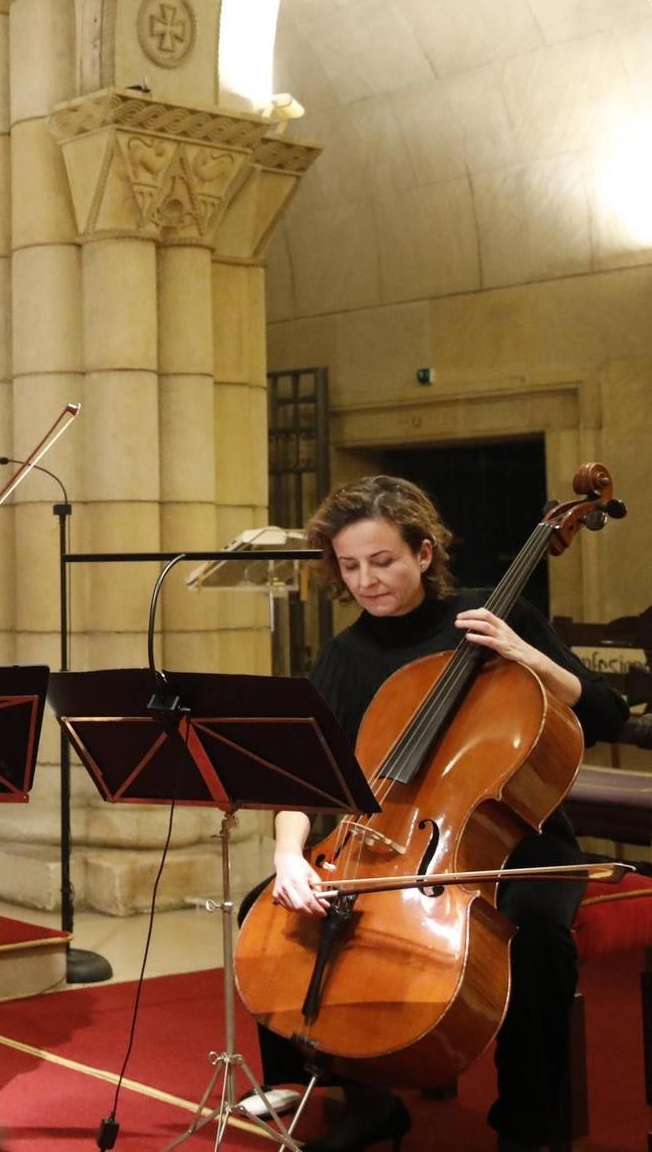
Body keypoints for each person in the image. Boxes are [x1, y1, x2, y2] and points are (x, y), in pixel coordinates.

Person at [238, 475, 625, 1152]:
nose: (366, 579)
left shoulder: (496, 617)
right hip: (389, 838)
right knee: (265, 909)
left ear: (423, 551)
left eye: (382, 560)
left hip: (519, 837)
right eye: (350, 566)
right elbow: (307, 781)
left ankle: (529, 1125)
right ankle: (362, 1094)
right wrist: (287, 855)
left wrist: (524, 654)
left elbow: (603, 714)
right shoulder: (344, 655)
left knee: (534, 938)